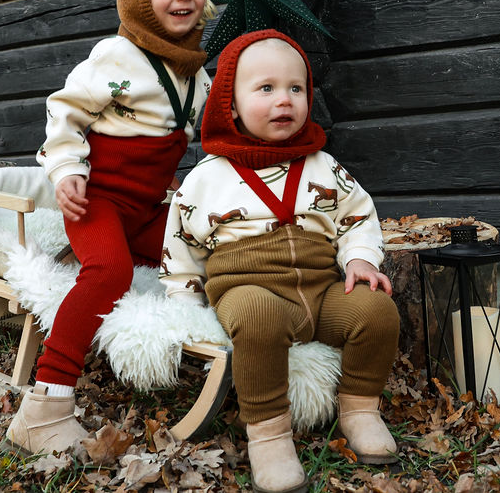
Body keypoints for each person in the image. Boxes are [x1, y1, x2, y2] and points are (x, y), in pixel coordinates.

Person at [160, 29, 400, 493]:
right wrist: (184, 306)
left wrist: (361, 260)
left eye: (296, 88)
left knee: (376, 311)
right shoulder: (207, 179)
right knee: (257, 312)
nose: (284, 99)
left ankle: (359, 409)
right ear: (230, 105)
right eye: (266, 88)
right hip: (247, 288)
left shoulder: (323, 166)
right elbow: (181, 245)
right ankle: (268, 434)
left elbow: (357, 216)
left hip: (322, 289)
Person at [3, 0, 216, 455]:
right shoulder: (116, 55)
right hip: (95, 201)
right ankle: (45, 403)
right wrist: (66, 170)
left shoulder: (198, 75)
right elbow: (66, 110)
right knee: (112, 271)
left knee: (193, 254)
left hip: (144, 208)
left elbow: (192, 138)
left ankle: (224, 349)